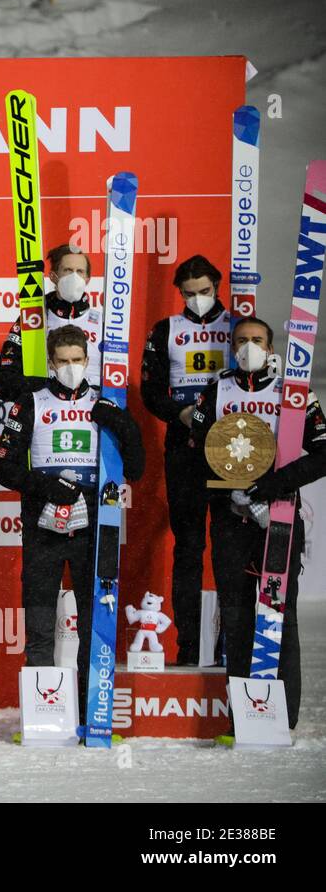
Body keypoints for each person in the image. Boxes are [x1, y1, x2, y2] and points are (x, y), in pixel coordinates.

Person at [0, 325, 145, 728]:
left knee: (96, 623)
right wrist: (44, 483)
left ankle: (92, 715)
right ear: (51, 364)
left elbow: (139, 468)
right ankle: (45, 719)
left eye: (79, 360)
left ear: (88, 360)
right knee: (40, 621)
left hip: (94, 521)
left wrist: (122, 424)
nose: (72, 368)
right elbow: (2, 465)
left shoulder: (104, 404)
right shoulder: (31, 402)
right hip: (42, 521)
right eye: (64, 361)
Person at [190, 316, 326, 733]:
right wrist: (227, 487)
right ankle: (242, 719)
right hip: (231, 519)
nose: (249, 347)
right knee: (236, 617)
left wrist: (272, 484)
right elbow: (197, 452)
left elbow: (322, 452)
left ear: (271, 348)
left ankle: (283, 720)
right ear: (232, 346)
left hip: (280, 516)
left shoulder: (295, 393)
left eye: (257, 340)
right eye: (242, 340)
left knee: (279, 616)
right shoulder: (217, 389)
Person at [140, 255, 230, 664]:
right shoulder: (166, 330)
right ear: (180, 293)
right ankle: (189, 648)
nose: (198, 300)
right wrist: (180, 415)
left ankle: (231, 649)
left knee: (231, 550)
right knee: (189, 548)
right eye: (189, 294)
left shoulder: (239, 327)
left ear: (217, 287)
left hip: (233, 451)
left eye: (205, 292)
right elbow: (151, 389)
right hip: (184, 449)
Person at [0, 243, 102, 403]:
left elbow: (117, 382)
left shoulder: (103, 323)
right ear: (53, 276)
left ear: (87, 278)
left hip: (91, 415)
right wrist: (44, 387)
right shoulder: (33, 321)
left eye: (80, 271)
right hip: (44, 413)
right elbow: (3, 382)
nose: (74, 277)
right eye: (67, 271)